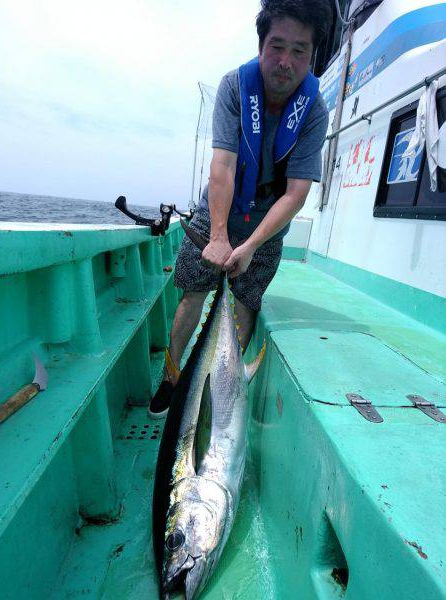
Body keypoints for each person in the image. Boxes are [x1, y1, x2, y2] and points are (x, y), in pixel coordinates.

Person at [149, 0, 332, 418]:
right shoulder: (235, 87)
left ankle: (222, 386)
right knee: (192, 293)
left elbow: (296, 193)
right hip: (219, 209)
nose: (285, 62)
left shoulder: (314, 112)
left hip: (266, 225)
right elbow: (223, 166)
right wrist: (216, 236)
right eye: (277, 46)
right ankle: (172, 376)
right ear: (261, 44)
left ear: (312, 56)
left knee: (246, 303)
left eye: (299, 51)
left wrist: (249, 246)